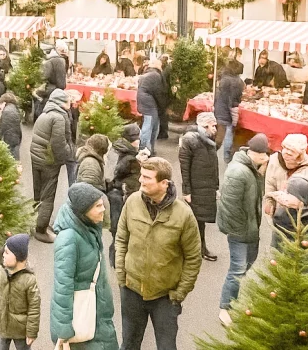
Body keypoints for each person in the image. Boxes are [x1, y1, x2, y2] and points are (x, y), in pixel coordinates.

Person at [115, 157, 202, 350]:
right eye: (141, 176)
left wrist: (179, 293)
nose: (141, 181)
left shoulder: (184, 214)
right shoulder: (132, 202)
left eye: (147, 178)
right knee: (129, 344)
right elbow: (121, 240)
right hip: (132, 291)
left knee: (166, 347)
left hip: (164, 297)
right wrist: (122, 277)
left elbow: (193, 257)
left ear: (164, 183)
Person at [51, 184, 118, 349]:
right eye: (97, 206)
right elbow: (62, 287)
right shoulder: (69, 238)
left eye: (102, 204)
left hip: (97, 317)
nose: (103, 209)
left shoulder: (88, 228)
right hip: (82, 324)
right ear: (83, 211)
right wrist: (64, 331)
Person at [215, 134, 271, 326]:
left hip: (250, 228)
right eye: (264, 155)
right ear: (256, 153)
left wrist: (262, 170)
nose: (267, 158)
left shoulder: (251, 168)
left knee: (247, 264)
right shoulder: (238, 172)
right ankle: (225, 308)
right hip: (241, 231)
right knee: (237, 269)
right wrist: (239, 231)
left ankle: (233, 298)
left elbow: (259, 193)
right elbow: (228, 206)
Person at [30, 89, 73, 243]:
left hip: (36, 157)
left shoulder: (45, 113)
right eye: (69, 101)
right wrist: (67, 156)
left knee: (38, 191)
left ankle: (35, 221)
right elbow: (59, 144)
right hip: (49, 160)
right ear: (61, 102)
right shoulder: (60, 117)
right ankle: (41, 230)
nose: (71, 103)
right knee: (48, 194)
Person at [263, 134, 308, 247]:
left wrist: (306, 222)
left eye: (292, 151)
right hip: (279, 216)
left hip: (297, 219)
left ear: (300, 154)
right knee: (277, 247)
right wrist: (269, 201)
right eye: (285, 148)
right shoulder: (275, 160)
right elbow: (269, 182)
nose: (287, 153)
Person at [179, 112, 220, 262]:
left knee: (200, 221)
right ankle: (195, 249)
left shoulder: (209, 139)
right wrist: (186, 190)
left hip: (206, 186)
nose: (215, 128)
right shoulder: (190, 140)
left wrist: (215, 187)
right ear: (204, 125)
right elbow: (184, 167)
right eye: (213, 126)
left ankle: (200, 248)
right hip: (196, 188)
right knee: (195, 221)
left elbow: (214, 166)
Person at [0, 233, 40, 350]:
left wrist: (31, 332)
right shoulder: (0, 272)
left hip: (20, 330)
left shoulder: (29, 280)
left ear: (19, 256)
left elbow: (34, 308)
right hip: (3, 325)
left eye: (7, 252)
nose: (3, 255)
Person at [108, 123, 146, 266]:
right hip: (120, 196)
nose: (138, 141)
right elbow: (118, 172)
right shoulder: (128, 156)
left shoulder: (122, 151)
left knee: (120, 228)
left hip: (120, 195)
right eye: (135, 138)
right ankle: (117, 260)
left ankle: (117, 258)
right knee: (119, 229)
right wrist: (137, 161)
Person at [214, 62, 245, 163]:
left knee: (220, 133)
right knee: (229, 133)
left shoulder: (224, 78)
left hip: (220, 107)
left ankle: (211, 152)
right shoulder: (237, 81)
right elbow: (235, 99)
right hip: (229, 109)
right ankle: (227, 157)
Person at [136, 59, 168, 154]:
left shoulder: (147, 73)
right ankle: (144, 148)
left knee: (150, 124)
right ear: (158, 66)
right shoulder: (156, 75)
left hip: (143, 99)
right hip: (149, 102)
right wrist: (163, 106)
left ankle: (147, 148)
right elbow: (158, 93)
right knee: (149, 125)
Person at [0, 92, 23, 160]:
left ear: (4, 102)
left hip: (10, 140)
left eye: (0, 105)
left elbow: (1, 128)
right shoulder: (13, 108)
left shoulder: (7, 112)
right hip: (15, 138)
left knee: (12, 158)